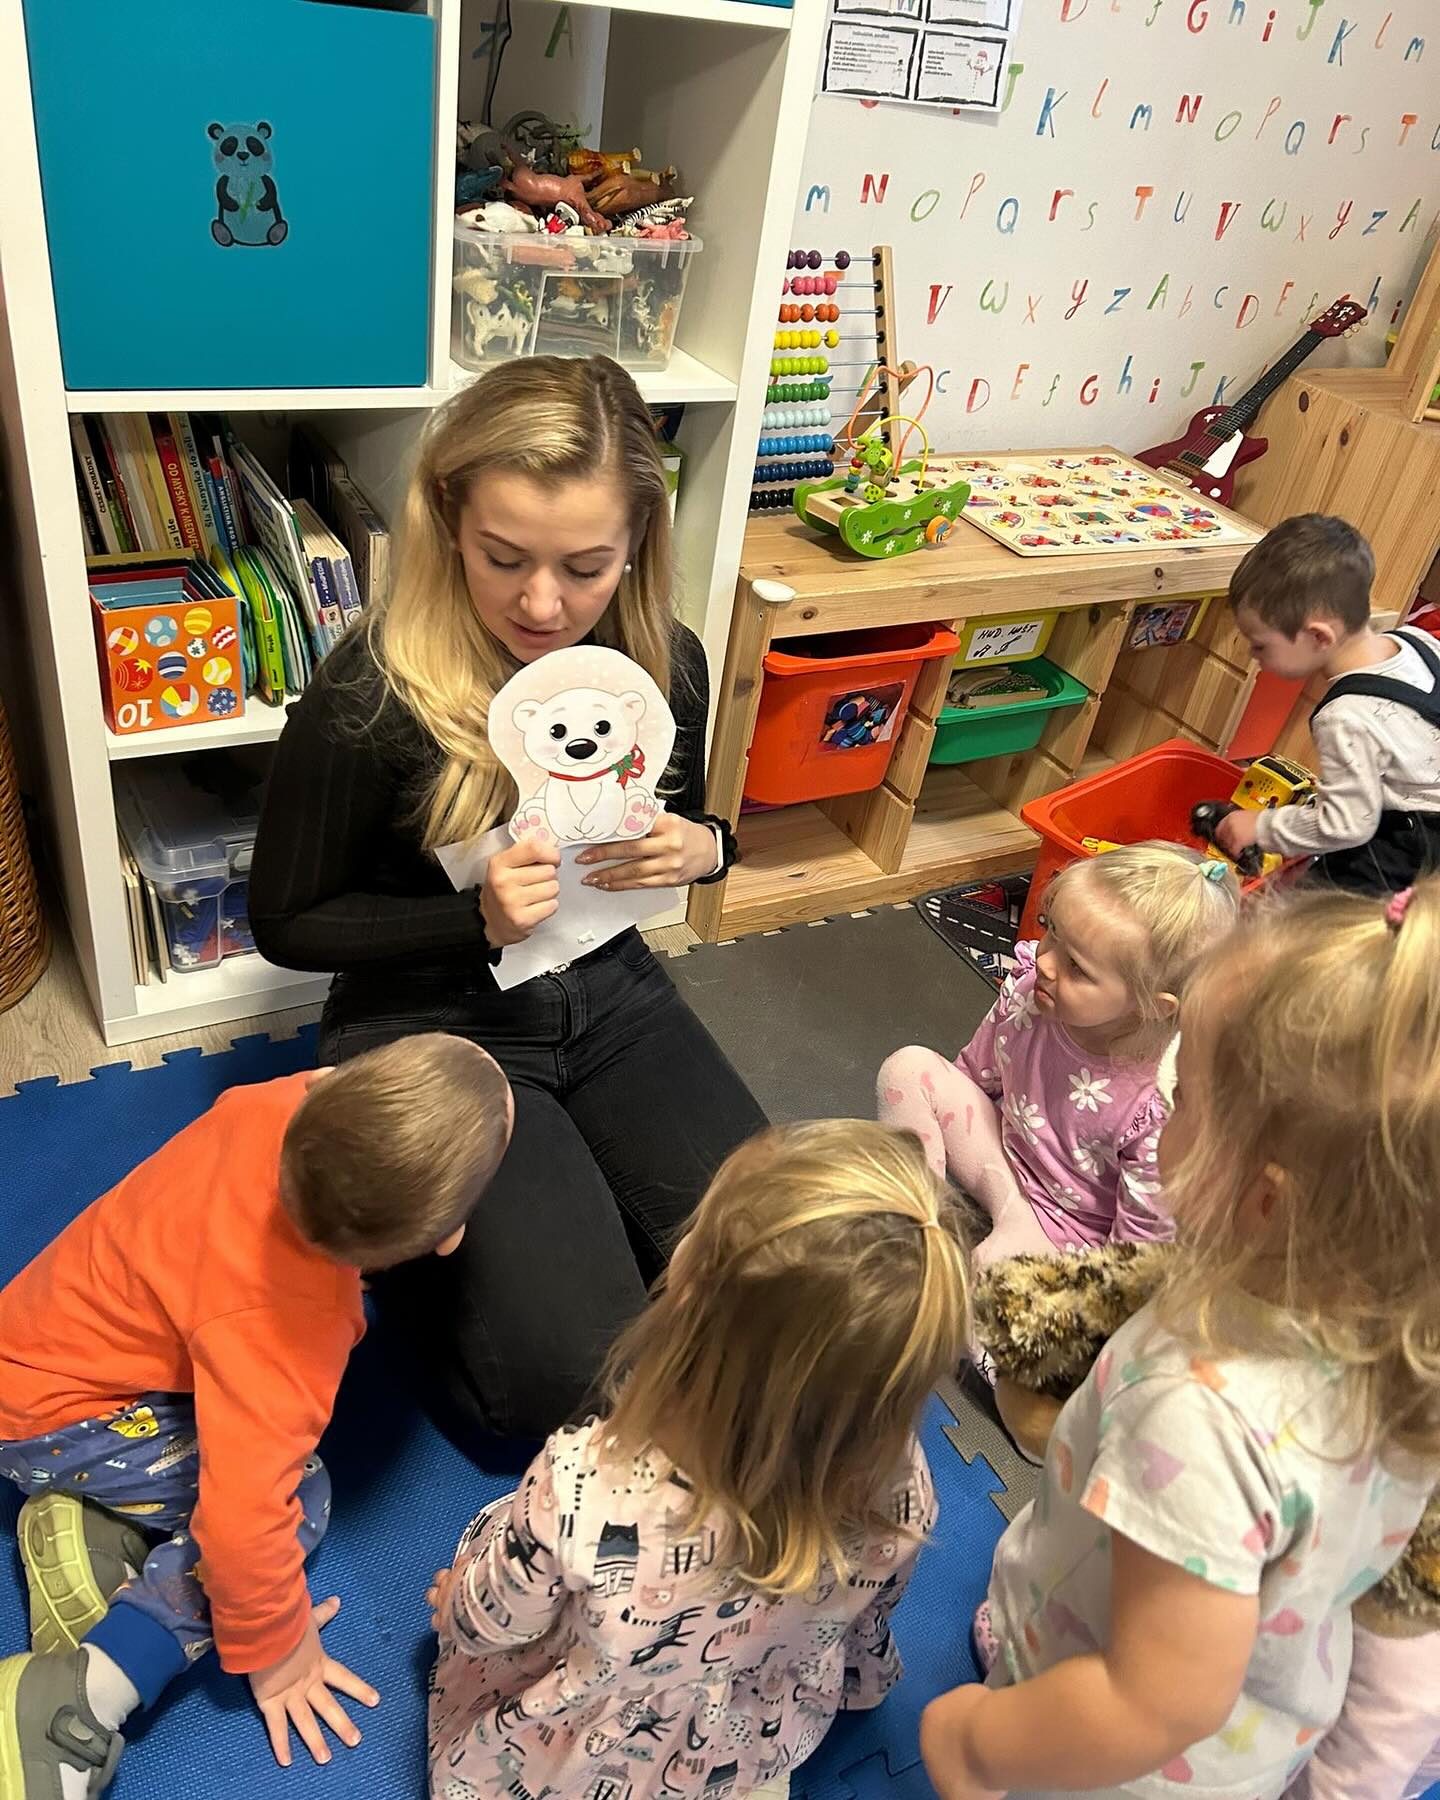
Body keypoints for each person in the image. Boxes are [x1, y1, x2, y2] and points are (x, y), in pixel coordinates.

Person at [248, 356, 766, 1445]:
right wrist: (470, 919)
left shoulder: (659, 664)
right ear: (448, 521)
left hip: (606, 988)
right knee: (563, 1386)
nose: (542, 604)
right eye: (503, 557)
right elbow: (286, 921)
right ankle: (410, 1266)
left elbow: (698, 825)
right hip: (426, 1014)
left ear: (638, 543)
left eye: (585, 567)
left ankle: (576, 1226)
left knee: (774, 1276)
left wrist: (705, 849)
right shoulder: (370, 691)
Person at [918, 878, 1440, 1800]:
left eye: (1185, 1095)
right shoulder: (1394, 1346)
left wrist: (981, 1742)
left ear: (1266, 1198)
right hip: (1247, 1706)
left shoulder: (1205, 1417)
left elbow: (1152, 1703)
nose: (1164, 1113)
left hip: (1107, 1765)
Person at [0, 1035, 512, 1795]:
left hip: (42, 1345)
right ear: (447, 1240)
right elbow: (243, 1534)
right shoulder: (288, 1335)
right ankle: (81, 1693)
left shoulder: (267, 1104)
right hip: (62, 1418)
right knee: (296, 1494)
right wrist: (279, 1657)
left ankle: (91, 1520)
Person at [425, 1120, 971, 1800]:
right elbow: (870, 1614)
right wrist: (862, 1680)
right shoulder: (906, 1485)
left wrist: (458, 1607)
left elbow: (490, 1623)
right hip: (741, 1731)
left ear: (690, 1296)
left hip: (575, 1749)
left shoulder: (582, 1491)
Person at [878, 842, 1239, 1267]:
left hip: (1070, 1230)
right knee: (908, 1068)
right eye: (1051, 930)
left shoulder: (1156, 1107)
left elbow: (1135, 1252)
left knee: (989, 1277)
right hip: (1003, 1160)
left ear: (1152, 1006)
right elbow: (974, 1076)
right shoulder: (1031, 991)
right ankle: (916, 1217)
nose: (1047, 963)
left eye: (1077, 968)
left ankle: (1003, 1237)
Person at [1217, 513, 1440, 893]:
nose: (1253, 655)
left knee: (1310, 908)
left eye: (1260, 645)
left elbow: (1346, 825)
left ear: (1318, 637)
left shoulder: (1344, 716)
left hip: (1413, 848)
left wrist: (1260, 826)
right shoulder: (1420, 642)